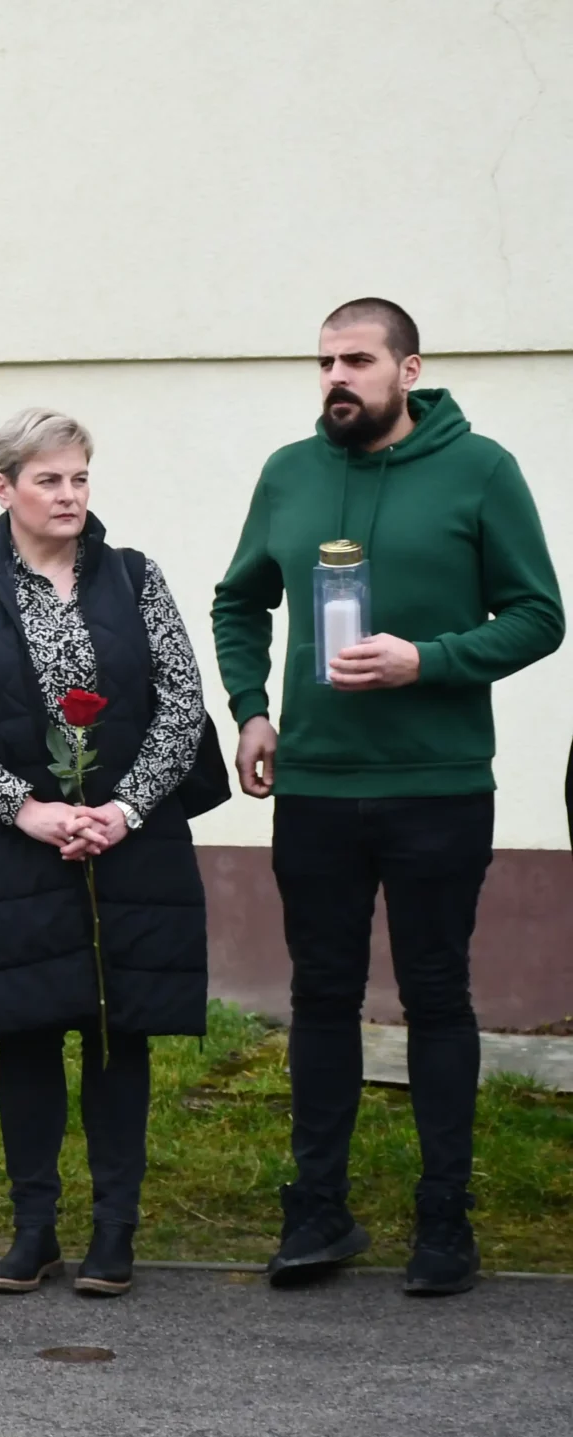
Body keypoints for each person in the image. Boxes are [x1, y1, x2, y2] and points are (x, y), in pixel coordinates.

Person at [212, 298, 563, 1298]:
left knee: (435, 995)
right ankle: (317, 1211)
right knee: (320, 996)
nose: (335, 376)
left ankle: (443, 1218)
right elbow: (240, 598)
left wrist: (429, 661)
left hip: (437, 786)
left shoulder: (479, 469)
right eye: (323, 360)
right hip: (315, 786)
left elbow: (539, 615)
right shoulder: (288, 473)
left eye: (356, 359)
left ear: (408, 370)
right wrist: (249, 710)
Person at [0, 410, 213, 1296]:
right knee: (30, 1030)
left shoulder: (133, 577)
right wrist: (27, 809)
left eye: (80, 478)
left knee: (121, 1033)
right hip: (12, 849)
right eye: (49, 480)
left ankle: (114, 1230)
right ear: (4, 487)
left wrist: (124, 808)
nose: (70, 495)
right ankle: (33, 1228)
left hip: (130, 843)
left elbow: (180, 703)